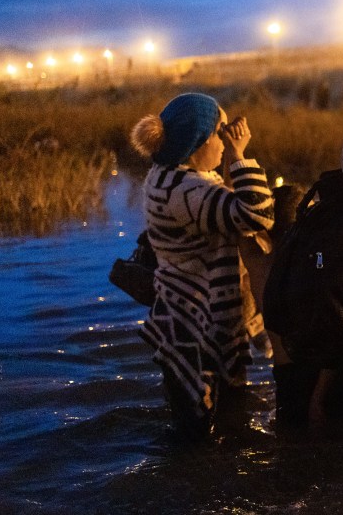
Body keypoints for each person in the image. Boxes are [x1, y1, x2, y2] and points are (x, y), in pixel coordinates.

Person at [130, 93, 275, 437]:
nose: (226, 140)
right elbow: (257, 214)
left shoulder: (168, 176)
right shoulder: (186, 190)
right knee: (203, 431)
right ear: (198, 142)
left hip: (186, 319)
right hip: (198, 327)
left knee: (209, 422)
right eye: (220, 133)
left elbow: (222, 201)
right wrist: (240, 156)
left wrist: (232, 161)